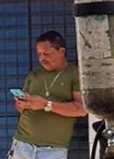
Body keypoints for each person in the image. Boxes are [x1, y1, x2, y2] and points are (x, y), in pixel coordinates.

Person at [10, 30, 87, 159]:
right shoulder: (33, 76)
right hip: (22, 145)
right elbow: (19, 110)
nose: (42, 59)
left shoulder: (74, 74)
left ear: (61, 51)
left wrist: (47, 105)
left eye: (46, 54)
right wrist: (21, 104)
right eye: (39, 54)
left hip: (53, 150)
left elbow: (82, 109)